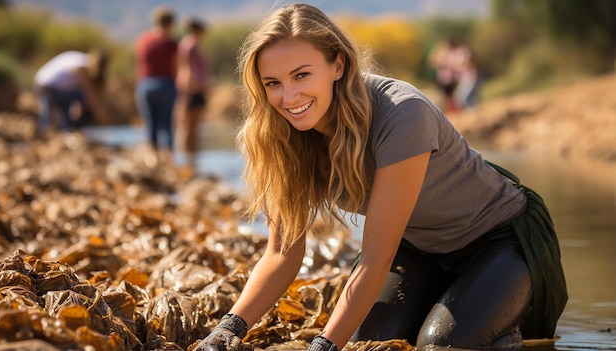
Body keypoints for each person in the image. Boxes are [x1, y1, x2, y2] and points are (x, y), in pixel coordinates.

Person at [196, 3, 567, 351]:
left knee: (440, 345)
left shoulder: (402, 114)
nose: (289, 96)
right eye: (272, 82)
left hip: (502, 240)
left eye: (302, 75)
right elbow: (281, 254)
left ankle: (502, 334)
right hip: (420, 249)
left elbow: (375, 258)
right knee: (372, 344)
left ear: (337, 65)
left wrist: (323, 346)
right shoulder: (278, 136)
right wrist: (227, 330)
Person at [134, 5, 178, 165]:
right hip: (165, 84)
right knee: (166, 123)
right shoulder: (171, 43)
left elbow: (139, 63)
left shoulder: (143, 39)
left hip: (145, 84)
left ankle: (153, 159)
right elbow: (176, 66)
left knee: (150, 122)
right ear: (170, 23)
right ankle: (169, 160)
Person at [34, 49, 109, 135]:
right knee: (82, 99)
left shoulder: (81, 59)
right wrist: (104, 119)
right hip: (47, 86)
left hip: (45, 84)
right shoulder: (82, 67)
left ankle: (64, 130)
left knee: (57, 112)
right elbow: (90, 97)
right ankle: (70, 130)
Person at [175, 17, 209, 176]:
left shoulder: (186, 43)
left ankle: (191, 163)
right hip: (193, 90)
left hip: (192, 89)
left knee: (190, 127)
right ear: (198, 30)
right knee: (190, 127)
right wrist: (190, 92)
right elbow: (188, 69)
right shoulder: (191, 45)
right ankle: (189, 164)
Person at [427, 37, 478, 113]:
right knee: (455, 98)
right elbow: (431, 60)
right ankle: (466, 113)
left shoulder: (458, 52)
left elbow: (462, 63)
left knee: (461, 97)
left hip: (462, 78)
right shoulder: (443, 52)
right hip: (450, 79)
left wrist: (450, 66)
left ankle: (470, 113)